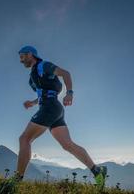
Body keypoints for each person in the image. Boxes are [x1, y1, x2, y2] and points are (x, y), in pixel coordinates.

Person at [15, 45, 107, 190]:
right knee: (67, 145)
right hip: (54, 109)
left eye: (22, 56)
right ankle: (97, 171)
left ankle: (15, 181)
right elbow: (43, 94)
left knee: (25, 139)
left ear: (30, 54)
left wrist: (69, 93)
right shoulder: (32, 78)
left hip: (50, 107)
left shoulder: (43, 65)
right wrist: (32, 103)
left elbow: (66, 73)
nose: (20, 60)